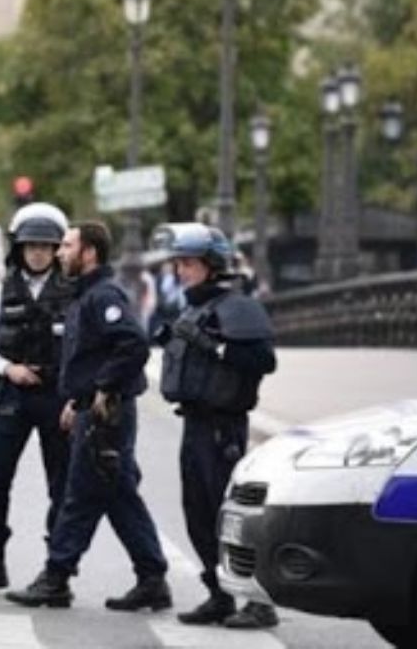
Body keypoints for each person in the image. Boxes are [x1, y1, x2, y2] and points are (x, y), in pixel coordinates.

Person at [6, 221, 171, 611]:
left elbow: (133, 344)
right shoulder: (85, 294)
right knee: (119, 495)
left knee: (80, 494)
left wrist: (102, 387)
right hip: (93, 409)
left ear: (89, 252)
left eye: (67, 246)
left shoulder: (103, 296)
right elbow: (89, 357)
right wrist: (77, 400)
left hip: (107, 413)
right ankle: (152, 578)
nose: (60, 253)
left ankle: (56, 577)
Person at [152, 223, 279, 629]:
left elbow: (263, 361)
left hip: (223, 429)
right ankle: (220, 595)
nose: (180, 271)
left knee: (231, 518)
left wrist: (213, 346)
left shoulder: (238, 307)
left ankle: (258, 602)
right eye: (178, 263)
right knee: (197, 513)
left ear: (212, 265)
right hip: (194, 424)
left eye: (188, 263)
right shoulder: (193, 307)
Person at [0, 203, 73, 594]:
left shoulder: (73, 294)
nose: (38, 253)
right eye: (31, 246)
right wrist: (9, 368)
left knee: (61, 486)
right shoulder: (2, 292)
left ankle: (56, 573)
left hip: (57, 398)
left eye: (45, 246)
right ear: (19, 249)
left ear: (56, 249)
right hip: (12, 396)